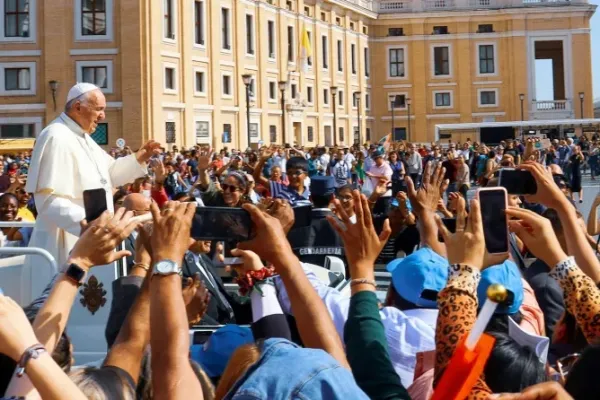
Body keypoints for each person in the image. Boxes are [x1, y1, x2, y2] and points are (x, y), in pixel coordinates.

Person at [23, 83, 160, 300]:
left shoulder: (83, 137)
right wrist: (88, 226)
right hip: (64, 242)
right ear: (78, 106)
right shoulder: (56, 136)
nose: (103, 116)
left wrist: (139, 157)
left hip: (93, 238)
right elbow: (47, 201)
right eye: (99, 109)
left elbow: (111, 173)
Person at [181, 239, 251, 325]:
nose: (209, 239)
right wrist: (219, 330)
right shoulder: (179, 265)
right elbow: (189, 310)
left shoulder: (204, 258)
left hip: (229, 325)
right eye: (202, 233)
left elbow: (223, 297)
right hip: (210, 333)